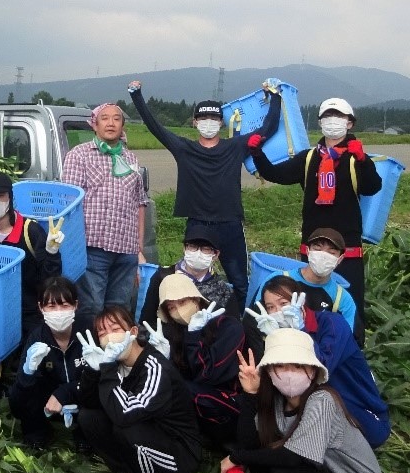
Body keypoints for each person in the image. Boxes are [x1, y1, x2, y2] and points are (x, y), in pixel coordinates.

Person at [222, 329, 386, 473]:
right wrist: (251, 394)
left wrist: (236, 458)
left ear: (312, 370)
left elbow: (293, 458)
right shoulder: (278, 404)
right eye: (281, 366)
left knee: (284, 469)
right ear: (270, 371)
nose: (289, 373)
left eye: (297, 366)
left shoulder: (322, 401)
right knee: (266, 453)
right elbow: (249, 444)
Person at [127, 81, 281, 301]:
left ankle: (239, 328)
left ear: (221, 122)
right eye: (203, 119)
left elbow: (269, 128)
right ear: (195, 122)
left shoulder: (235, 146)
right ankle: (192, 327)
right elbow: (155, 127)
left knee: (239, 282)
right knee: (190, 282)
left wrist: (275, 96)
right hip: (197, 224)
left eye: (214, 119)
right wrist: (137, 96)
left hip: (230, 224)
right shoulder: (184, 148)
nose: (208, 123)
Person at [251, 98, 381, 342]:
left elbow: (373, 187)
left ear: (350, 123)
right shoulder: (309, 158)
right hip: (312, 246)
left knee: (348, 301)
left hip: (347, 249)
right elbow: (276, 174)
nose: (333, 121)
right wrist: (257, 153)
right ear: (320, 123)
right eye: (327, 116)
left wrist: (363, 161)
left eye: (339, 116)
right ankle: (308, 346)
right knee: (308, 301)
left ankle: (353, 350)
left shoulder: (355, 158)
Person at [75, 305, 202, 473]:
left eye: (115, 329)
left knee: (126, 425)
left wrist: (106, 369)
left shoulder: (154, 367)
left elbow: (124, 414)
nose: (108, 338)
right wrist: (93, 371)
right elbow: (89, 402)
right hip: (145, 440)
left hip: (177, 456)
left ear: (133, 332)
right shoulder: (114, 365)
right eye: (102, 333)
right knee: (89, 418)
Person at [244, 276, 389, 447]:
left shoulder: (333, 323)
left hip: (355, 407)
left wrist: (301, 332)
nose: (278, 311)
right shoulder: (276, 332)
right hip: (308, 404)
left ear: (300, 301)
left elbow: (321, 370)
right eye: (270, 307)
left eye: (284, 304)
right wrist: (274, 339)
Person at [60, 103, 149, 316]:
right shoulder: (79, 155)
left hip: (126, 250)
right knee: (92, 308)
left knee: (119, 310)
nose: (111, 123)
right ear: (94, 124)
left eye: (116, 118)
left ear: (122, 125)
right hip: (93, 248)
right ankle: (89, 349)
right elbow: (69, 204)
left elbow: (140, 203)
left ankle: (115, 349)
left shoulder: (130, 158)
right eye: (105, 118)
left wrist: (138, 249)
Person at [146, 273, 244, 446]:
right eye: (171, 308)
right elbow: (178, 378)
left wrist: (193, 336)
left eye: (182, 302)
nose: (178, 311)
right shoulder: (176, 334)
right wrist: (165, 360)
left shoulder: (228, 326)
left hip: (231, 404)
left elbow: (209, 375)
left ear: (196, 300)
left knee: (185, 390)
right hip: (195, 406)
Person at [0, 170, 62, 336]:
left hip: (29, 309)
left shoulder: (31, 231)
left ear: (10, 197)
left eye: (0, 196)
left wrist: (52, 252)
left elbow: (49, 278)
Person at [7, 277, 92, 449]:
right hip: (49, 405)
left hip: (83, 397)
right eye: (51, 306)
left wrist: (65, 392)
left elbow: (104, 380)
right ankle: (37, 433)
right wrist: (27, 373)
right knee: (25, 394)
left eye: (65, 305)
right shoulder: (36, 338)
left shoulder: (90, 332)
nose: (59, 312)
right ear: (41, 308)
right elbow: (17, 400)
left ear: (76, 305)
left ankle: (86, 433)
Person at [136, 224, 235, 327]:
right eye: (193, 246)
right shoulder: (164, 277)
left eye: (206, 249)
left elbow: (233, 328)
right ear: (184, 248)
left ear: (216, 254)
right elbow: (147, 320)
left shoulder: (222, 290)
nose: (198, 253)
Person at [276, 228, 359, 331]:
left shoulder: (343, 299)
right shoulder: (278, 280)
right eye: (317, 248)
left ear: (340, 259)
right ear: (308, 251)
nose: (323, 256)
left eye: (331, 252)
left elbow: (345, 339)